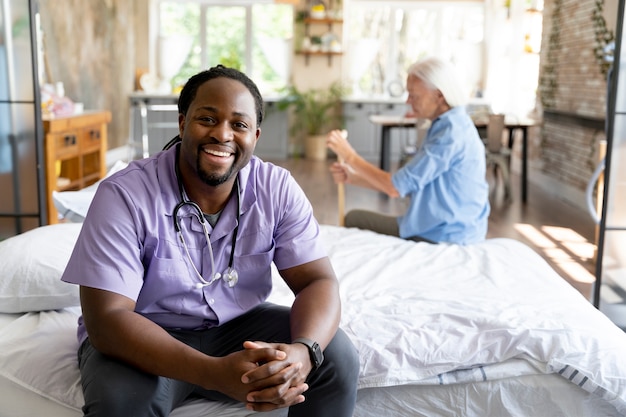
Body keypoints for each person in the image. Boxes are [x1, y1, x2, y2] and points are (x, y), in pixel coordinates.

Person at [61, 65, 359, 417]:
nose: (223, 134)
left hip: (238, 328)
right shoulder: (124, 194)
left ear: (256, 136)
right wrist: (213, 373)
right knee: (122, 404)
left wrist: (303, 353)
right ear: (183, 122)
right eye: (208, 118)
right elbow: (107, 320)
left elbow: (317, 280)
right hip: (145, 335)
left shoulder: (276, 189)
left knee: (335, 355)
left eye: (239, 124)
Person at [327, 56, 490, 245]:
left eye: (414, 95)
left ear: (439, 96)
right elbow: (411, 184)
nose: (408, 101)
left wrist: (349, 156)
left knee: (354, 219)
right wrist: (353, 178)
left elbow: (395, 187)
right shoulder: (450, 124)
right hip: (453, 226)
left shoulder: (450, 134)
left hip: (447, 234)